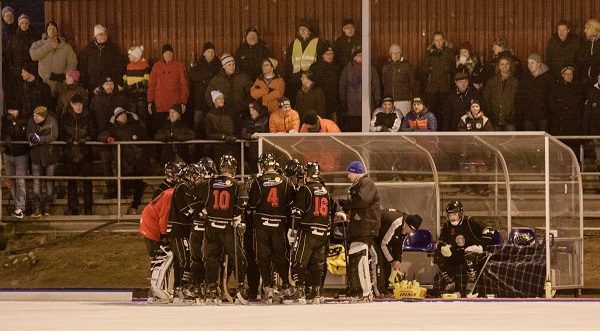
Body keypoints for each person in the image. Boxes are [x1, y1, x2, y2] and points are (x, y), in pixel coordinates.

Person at [248, 153, 295, 304]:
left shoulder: (258, 181)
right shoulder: (286, 181)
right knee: (280, 256)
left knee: (263, 257)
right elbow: (290, 204)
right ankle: (287, 287)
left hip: (262, 223)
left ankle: (267, 287)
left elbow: (252, 205)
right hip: (279, 224)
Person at [203, 155, 249, 305]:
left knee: (211, 258)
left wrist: (207, 212)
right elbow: (243, 202)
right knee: (238, 258)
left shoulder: (210, 182)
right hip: (228, 227)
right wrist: (235, 215)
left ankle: (211, 288)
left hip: (212, 226)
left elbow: (201, 201)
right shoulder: (237, 184)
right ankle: (240, 287)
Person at [284, 161, 332, 304]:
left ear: (307, 174)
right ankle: (316, 292)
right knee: (317, 263)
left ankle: (299, 291)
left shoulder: (306, 189)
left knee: (299, 261)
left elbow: (297, 212)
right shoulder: (325, 190)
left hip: (308, 231)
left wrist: (292, 229)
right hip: (322, 232)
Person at [338, 160, 381, 303]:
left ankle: (366, 291)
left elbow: (362, 200)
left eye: (349, 173)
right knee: (355, 258)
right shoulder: (357, 185)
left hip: (366, 226)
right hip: (358, 226)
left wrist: (348, 203)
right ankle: (357, 290)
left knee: (361, 257)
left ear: (356, 172)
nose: (348, 176)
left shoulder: (366, 182)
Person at [436, 201, 495, 295]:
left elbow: (489, 230)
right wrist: (442, 247)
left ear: (460, 213)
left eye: (454, 214)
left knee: (469, 252)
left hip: (472, 254)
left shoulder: (470, 221)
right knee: (437, 254)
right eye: (450, 215)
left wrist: (480, 246)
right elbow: (440, 241)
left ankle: (472, 281)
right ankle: (451, 282)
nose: (452, 218)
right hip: (456, 254)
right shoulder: (447, 225)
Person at [98, 107, 150, 214]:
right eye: (120, 115)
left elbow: (145, 138)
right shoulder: (114, 129)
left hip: (138, 160)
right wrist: (107, 139)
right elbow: (102, 136)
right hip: (126, 161)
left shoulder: (135, 125)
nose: (123, 116)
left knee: (138, 183)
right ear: (116, 118)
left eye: (124, 114)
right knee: (128, 182)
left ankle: (135, 206)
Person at [168, 164, 206, 304]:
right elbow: (185, 209)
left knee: (181, 261)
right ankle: (183, 287)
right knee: (186, 258)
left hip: (181, 229)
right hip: (178, 229)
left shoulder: (183, 186)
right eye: (196, 175)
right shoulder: (182, 186)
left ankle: (178, 288)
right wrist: (199, 212)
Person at [89, 76, 128, 199]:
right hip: (103, 136)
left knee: (120, 164)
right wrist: (96, 135)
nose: (109, 86)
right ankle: (111, 189)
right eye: (107, 84)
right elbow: (92, 119)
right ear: (102, 86)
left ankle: (121, 190)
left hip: (119, 136)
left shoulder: (121, 98)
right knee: (106, 165)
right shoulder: (96, 99)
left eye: (111, 84)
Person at [139, 173, 175, 304]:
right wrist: (165, 235)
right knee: (164, 256)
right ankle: (156, 291)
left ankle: (154, 291)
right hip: (151, 226)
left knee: (159, 258)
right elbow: (163, 217)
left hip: (149, 224)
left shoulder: (168, 192)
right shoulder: (170, 195)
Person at [60, 94, 98, 215]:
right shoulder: (65, 117)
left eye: (80, 104)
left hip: (84, 152)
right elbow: (61, 133)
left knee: (87, 182)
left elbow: (94, 131)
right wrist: (67, 139)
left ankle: (88, 209)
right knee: (71, 182)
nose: (78, 107)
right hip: (70, 153)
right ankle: (74, 208)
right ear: (71, 104)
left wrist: (87, 138)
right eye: (76, 104)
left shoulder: (90, 116)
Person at [376, 209, 422, 296]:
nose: (409, 233)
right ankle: (380, 290)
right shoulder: (395, 223)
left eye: (412, 232)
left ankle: (384, 289)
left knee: (388, 259)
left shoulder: (405, 228)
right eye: (410, 230)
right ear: (407, 225)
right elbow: (383, 244)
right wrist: (392, 261)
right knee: (381, 260)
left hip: (383, 238)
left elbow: (398, 244)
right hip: (374, 234)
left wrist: (398, 261)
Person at [148, 44, 189, 133]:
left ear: (173, 54)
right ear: (163, 54)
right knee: (159, 130)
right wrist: (150, 101)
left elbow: (184, 85)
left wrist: (183, 102)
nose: (168, 55)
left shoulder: (179, 65)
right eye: (166, 53)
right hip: (160, 105)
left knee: (175, 130)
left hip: (175, 105)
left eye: (170, 53)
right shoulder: (156, 66)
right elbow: (151, 85)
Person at [29, 21, 78, 96]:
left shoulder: (66, 46)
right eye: (49, 29)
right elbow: (34, 56)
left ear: (57, 31)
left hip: (60, 84)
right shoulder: (39, 44)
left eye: (54, 29)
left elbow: (73, 63)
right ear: (46, 31)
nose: (52, 31)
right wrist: (49, 46)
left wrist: (64, 76)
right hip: (43, 84)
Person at [339, 46, 381, 132]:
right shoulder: (347, 69)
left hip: (367, 105)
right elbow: (342, 85)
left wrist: (377, 99)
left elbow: (376, 84)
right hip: (352, 107)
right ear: (354, 57)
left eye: (362, 55)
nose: (361, 57)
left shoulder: (371, 68)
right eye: (358, 55)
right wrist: (343, 100)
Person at [27, 106, 59, 217]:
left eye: (37, 116)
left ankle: (47, 208)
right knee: (36, 183)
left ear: (43, 116)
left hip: (50, 156)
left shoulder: (52, 121)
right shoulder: (31, 122)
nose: (34, 117)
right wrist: (32, 138)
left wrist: (40, 139)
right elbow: (28, 134)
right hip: (36, 156)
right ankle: (36, 208)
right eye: (34, 115)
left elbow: (54, 136)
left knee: (49, 183)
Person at [205, 53, 252, 128]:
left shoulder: (243, 78)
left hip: (240, 115)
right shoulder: (217, 80)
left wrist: (243, 107)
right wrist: (217, 108)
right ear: (224, 67)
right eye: (229, 65)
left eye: (233, 64)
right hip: (223, 117)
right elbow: (208, 95)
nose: (232, 67)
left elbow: (250, 94)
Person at [420, 32, 455, 127]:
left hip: (445, 88)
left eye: (440, 40)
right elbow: (424, 69)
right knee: (432, 113)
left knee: (446, 113)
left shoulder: (449, 52)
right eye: (436, 40)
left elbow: (453, 70)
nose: (438, 42)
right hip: (432, 89)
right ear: (433, 41)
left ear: (443, 40)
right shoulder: (430, 53)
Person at [285, 20, 325, 103]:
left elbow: (321, 61)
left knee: (309, 101)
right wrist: (290, 75)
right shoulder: (294, 43)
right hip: (296, 78)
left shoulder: (317, 42)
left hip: (310, 78)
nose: (302, 31)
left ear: (309, 31)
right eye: (300, 29)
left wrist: (311, 74)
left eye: (304, 29)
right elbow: (288, 60)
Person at [1, 103, 29, 218]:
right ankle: (17, 206)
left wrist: (13, 122)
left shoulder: (24, 120)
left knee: (20, 181)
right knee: (11, 182)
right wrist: (5, 137)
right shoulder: (5, 120)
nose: (11, 112)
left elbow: (20, 135)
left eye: (14, 110)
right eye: (10, 109)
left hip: (20, 155)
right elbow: (3, 134)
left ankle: (20, 207)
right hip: (8, 154)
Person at [189, 42, 221, 142]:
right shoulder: (198, 64)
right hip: (200, 102)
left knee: (213, 128)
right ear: (204, 53)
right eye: (208, 51)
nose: (211, 53)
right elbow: (193, 77)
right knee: (198, 128)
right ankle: (198, 153)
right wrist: (209, 75)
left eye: (212, 51)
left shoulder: (218, 65)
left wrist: (204, 79)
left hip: (213, 103)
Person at [78, 24, 125, 92]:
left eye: (105, 34)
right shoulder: (88, 49)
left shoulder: (113, 48)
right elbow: (83, 67)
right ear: (95, 36)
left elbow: (119, 66)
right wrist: (84, 85)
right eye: (100, 34)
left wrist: (118, 83)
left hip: (109, 85)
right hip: (92, 85)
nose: (103, 36)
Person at [5, 13, 36, 106]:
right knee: (18, 94)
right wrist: (11, 66)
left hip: (30, 71)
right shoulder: (13, 38)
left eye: (26, 23)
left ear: (28, 24)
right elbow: (8, 53)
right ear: (19, 24)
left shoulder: (33, 38)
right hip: (16, 71)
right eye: (22, 23)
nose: (24, 25)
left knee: (29, 94)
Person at [517, 53, 553, 131]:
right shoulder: (525, 79)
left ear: (539, 64)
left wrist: (548, 111)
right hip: (528, 117)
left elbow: (551, 97)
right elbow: (520, 97)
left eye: (532, 62)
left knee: (543, 141)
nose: (530, 65)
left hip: (543, 116)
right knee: (530, 140)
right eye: (528, 63)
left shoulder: (548, 78)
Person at [482, 56, 519, 131]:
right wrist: (490, 113)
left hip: (510, 121)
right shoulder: (491, 82)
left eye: (507, 64)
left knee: (511, 141)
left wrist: (513, 114)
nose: (504, 66)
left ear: (510, 65)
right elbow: (486, 99)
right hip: (494, 120)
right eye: (502, 64)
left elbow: (519, 101)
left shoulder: (515, 82)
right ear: (498, 66)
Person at [381, 44, 415, 118]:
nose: (396, 55)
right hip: (389, 101)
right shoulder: (386, 67)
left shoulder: (406, 66)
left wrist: (406, 91)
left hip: (403, 100)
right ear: (390, 54)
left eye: (398, 53)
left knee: (403, 121)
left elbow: (412, 82)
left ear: (400, 54)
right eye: (393, 53)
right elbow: (383, 82)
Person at [309, 43, 341, 121]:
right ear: (322, 55)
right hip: (319, 102)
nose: (330, 56)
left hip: (333, 103)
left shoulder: (337, 67)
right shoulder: (314, 67)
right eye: (327, 54)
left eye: (331, 54)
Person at [123, 45, 151, 130]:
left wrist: (132, 86)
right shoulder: (128, 66)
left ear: (136, 55)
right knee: (132, 118)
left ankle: (143, 138)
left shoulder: (145, 66)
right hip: (131, 98)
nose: (128, 56)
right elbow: (125, 79)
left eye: (130, 54)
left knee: (142, 119)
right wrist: (125, 87)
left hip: (141, 98)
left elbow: (146, 82)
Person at [205, 90, 238, 162]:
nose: (221, 100)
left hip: (231, 145)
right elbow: (209, 134)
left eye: (222, 98)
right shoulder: (210, 115)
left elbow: (236, 127)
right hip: (217, 147)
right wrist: (222, 137)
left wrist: (234, 136)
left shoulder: (230, 113)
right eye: (219, 98)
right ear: (214, 101)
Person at [241, 102, 270, 174]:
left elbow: (267, 132)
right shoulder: (247, 120)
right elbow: (242, 133)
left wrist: (258, 135)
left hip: (264, 148)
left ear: (258, 110)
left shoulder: (265, 119)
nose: (251, 112)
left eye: (253, 110)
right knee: (253, 170)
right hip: (252, 150)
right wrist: (251, 136)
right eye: (250, 110)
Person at [576, 19, 600, 87]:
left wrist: (587, 58)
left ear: (594, 29)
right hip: (585, 80)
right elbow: (579, 58)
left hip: (597, 80)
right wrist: (592, 58)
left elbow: (597, 60)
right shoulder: (585, 43)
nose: (584, 31)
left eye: (587, 28)